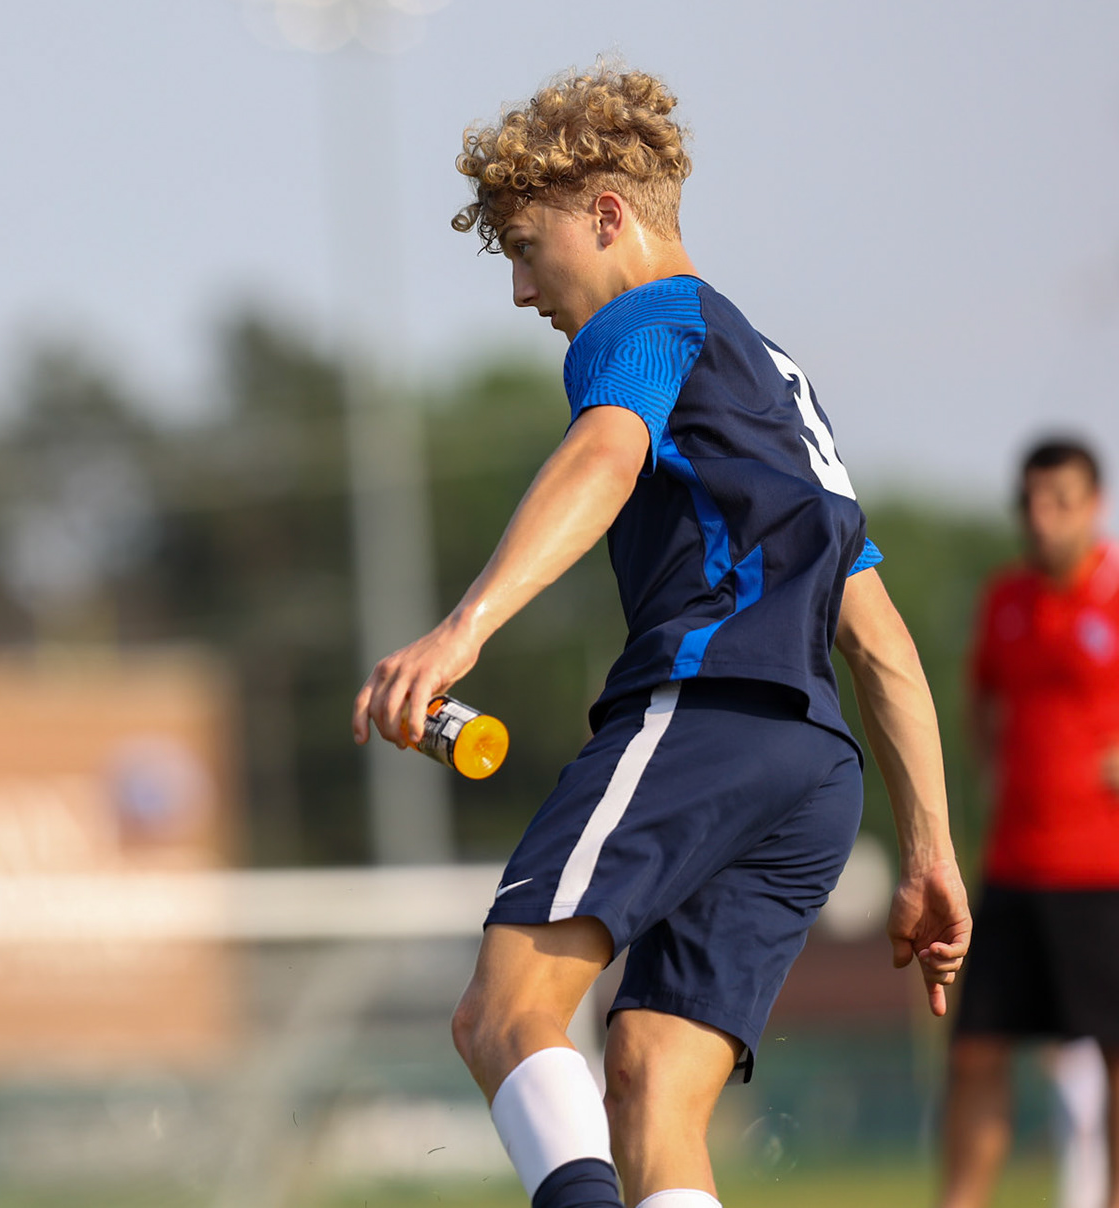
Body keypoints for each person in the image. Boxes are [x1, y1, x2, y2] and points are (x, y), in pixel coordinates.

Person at [351, 62, 970, 1208]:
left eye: (529, 249)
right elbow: (876, 639)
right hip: (817, 774)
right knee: (647, 1083)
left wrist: (461, 627)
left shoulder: (647, 319)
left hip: (706, 714)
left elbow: (606, 451)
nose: (525, 292)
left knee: (503, 1010)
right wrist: (930, 848)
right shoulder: (777, 379)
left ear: (607, 216)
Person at [942, 439, 1119, 1208]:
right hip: (1013, 866)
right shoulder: (1004, 598)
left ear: (1095, 506)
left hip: (1105, 872)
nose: (1042, 519)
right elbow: (979, 698)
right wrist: (994, 773)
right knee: (976, 1054)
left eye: (1061, 502)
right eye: (1032, 502)